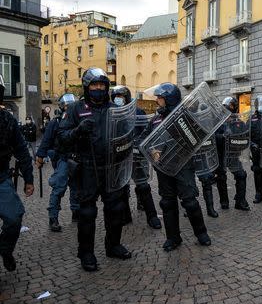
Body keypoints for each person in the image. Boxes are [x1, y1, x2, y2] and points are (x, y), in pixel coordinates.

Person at [57, 68, 132, 271]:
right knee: (87, 213)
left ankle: (113, 245)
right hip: (87, 168)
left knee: (116, 209)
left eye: (102, 85)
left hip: (111, 167)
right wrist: (78, 131)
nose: (98, 89)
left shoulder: (115, 108)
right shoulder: (75, 109)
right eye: (94, 85)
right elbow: (62, 138)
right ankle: (86, 252)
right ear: (87, 87)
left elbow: (127, 133)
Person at [144, 83, 211, 251]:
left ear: (169, 99)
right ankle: (173, 238)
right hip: (163, 168)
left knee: (189, 202)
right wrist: (151, 150)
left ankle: (201, 233)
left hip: (183, 166)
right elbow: (144, 139)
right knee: (167, 203)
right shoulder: (155, 119)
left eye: (160, 97)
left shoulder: (186, 116)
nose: (157, 100)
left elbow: (200, 137)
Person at [111, 85, 162, 229]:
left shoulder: (137, 111)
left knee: (143, 186)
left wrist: (139, 145)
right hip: (119, 156)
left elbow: (145, 133)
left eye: (120, 97)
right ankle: (125, 216)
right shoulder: (111, 112)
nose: (118, 100)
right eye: (115, 97)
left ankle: (151, 216)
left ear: (126, 97)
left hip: (135, 155)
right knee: (122, 187)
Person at [0, 75, 34, 272]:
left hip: (1, 179)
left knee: (14, 218)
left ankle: (5, 249)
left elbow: (22, 150)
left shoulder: (7, 120)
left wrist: (28, 179)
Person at [35, 93, 80, 232]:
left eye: (71, 106)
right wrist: (40, 156)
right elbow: (46, 140)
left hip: (77, 159)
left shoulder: (79, 121)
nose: (68, 108)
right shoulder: (55, 122)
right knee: (59, 188)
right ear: (61, 107)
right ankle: (53, 217)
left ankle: (76, 213)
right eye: (66, 106)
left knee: (77, 188)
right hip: (63, 159)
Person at [215, 97, 250, 211]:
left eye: (231, 106)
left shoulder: (239, 122)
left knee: (241, 175)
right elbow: (212, 137)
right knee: (221, 177)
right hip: (221, 154)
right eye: (226, 106)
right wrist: (223, 137)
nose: (228, 108)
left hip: (234, 154)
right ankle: (224, 201)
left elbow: (245, 137)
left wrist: (241, 141)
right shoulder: (218, 121)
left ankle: (240, 201)